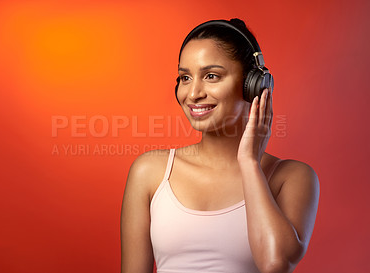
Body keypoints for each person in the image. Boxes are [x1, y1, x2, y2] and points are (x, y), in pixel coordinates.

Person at [121, 18, 320, 273]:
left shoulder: (292, 177)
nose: (193, 94)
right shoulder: (150, 171)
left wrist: (249, 163)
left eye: (211, 76)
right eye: (185, 78)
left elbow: (275, 263)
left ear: (253, 85)